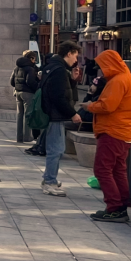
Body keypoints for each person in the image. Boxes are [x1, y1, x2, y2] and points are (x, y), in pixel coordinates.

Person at [84, 50, 131, 223]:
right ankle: (121, 205)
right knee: (118, 170)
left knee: (102, 169)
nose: (100, 70)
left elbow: (107, 106)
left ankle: (114, 207)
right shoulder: (129, 79)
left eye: (102, 66)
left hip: (112, 131)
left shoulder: (117, 81)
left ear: (109, 64)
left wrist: (90, 106)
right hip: (124, 132)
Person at [39, 40, 83, 196]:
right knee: (56, 150)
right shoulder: (59, 70)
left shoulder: (52, 67)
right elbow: (58, 96)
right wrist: (72, 113)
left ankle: (49, 178)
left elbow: (60, 90)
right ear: (69, 53)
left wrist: (72, 80)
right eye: (75, 56)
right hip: (55, 115)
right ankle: (49, 181)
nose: (76, 60)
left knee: (56, 148)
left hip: (51, 113)